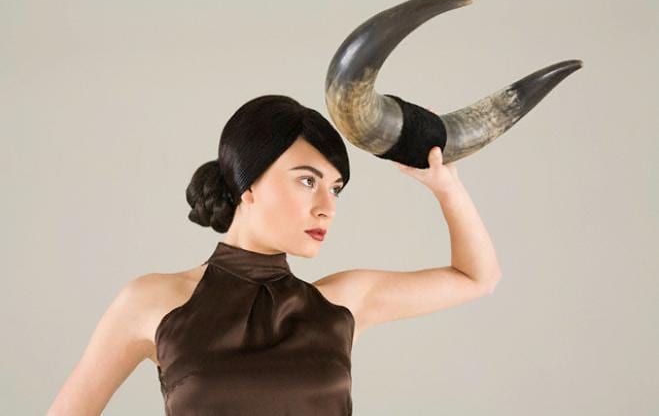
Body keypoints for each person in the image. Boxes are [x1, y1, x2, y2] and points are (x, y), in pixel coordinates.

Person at [47, 94, 502, 415]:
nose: (327, 206)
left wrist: (447, 188)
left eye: (335, 188)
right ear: (248, 185)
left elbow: (477, 277)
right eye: (307, 180)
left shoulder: (342, 303)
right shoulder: (152, 301)